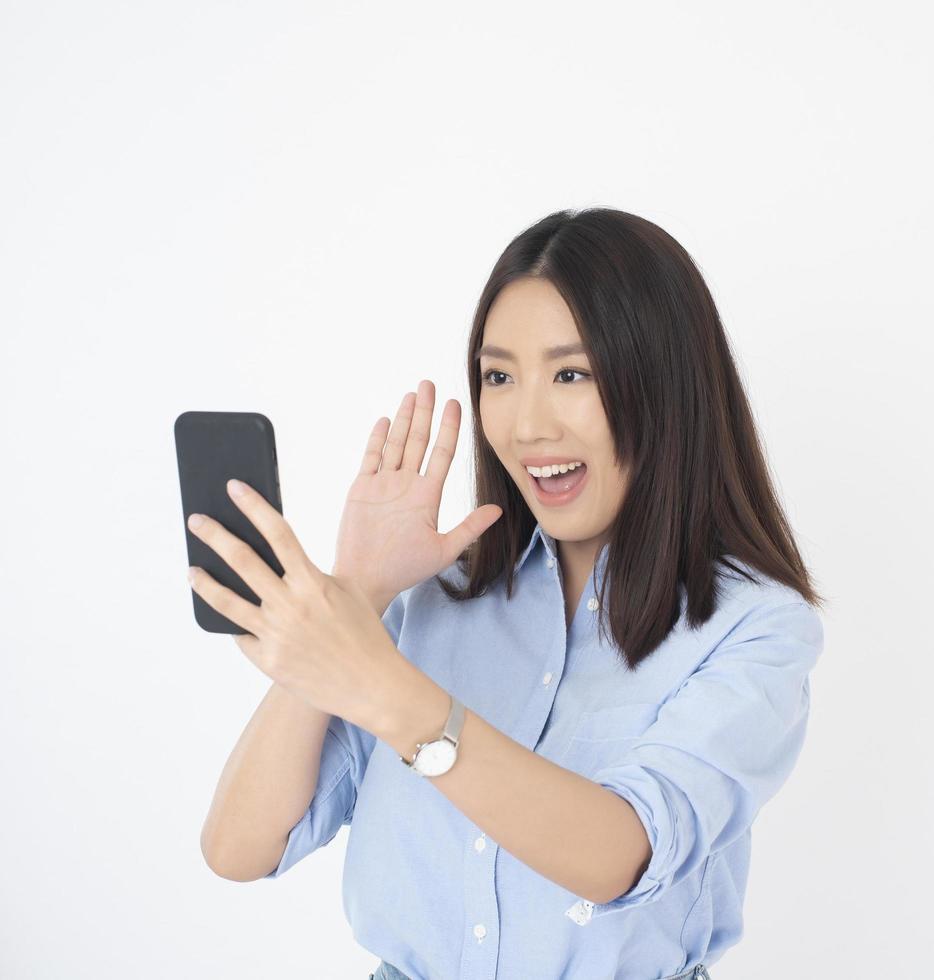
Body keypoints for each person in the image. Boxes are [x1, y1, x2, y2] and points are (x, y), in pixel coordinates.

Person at [193, 207, 826, 979]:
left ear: (665, 384)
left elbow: (620, 854)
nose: (527, 424)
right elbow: (239, 849)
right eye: (499, 376)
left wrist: (386, 687)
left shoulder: (755, 627)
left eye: (572, 374)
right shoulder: (432, 602)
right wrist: (354, 596)